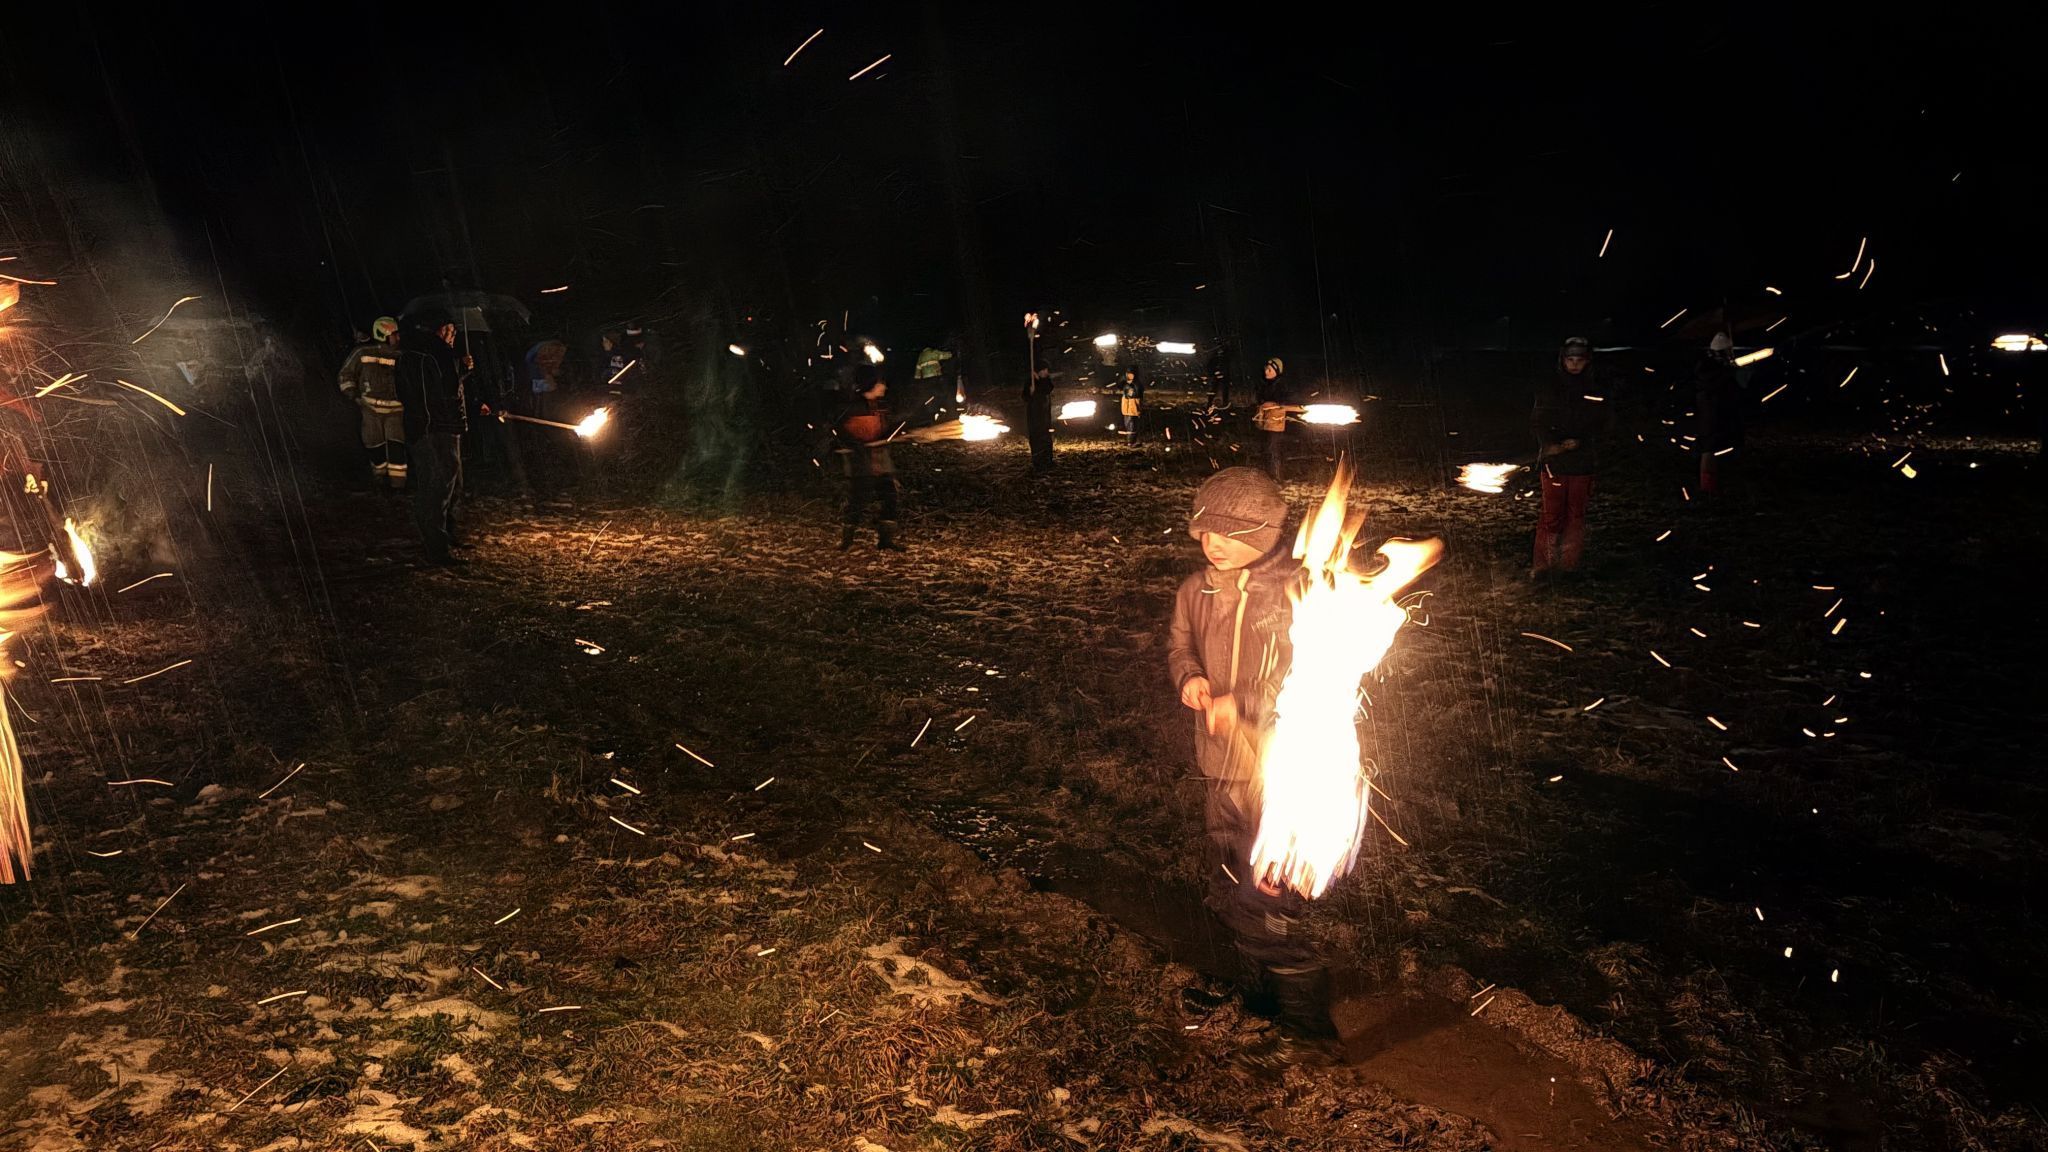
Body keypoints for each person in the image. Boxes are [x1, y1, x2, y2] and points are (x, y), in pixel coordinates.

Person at [1165, 467, 1336, 1045]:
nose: (1213, 544)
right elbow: (1179, 644)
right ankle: (1258, 996)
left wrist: (1241, 702)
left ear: (1263, 534)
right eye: (1205, 532)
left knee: (1266, 889)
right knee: (1229, 868)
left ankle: (1308, 1021)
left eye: (1228, 533)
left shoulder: (1292, 594)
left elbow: (1306, 675)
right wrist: (1189, 677)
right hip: (1219, 763)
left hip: (1274, 768)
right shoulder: (1197, 589)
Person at [1531, 336, 1611, 577]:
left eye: (1579, 360)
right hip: (1555, 463)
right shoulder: (1551, 389)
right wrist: (1550, 444)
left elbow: (1604, 425)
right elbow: (1538, 421)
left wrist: (1582, 442)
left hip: (1583, 463)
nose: (1575, 364)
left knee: (1575, 515)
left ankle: (1569, 565)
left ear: (1587, 362)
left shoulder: (1595, 390)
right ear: (1563, 361)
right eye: (1570, 360)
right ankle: (1543, 565)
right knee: (1551, 514)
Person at [396, 319, 470, 565]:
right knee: (438, 488)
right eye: (451, 329)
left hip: (425, 429)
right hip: (438, 430)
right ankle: (437, 549)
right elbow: (447, 390)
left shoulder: (408, 355)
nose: (454, 334)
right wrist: (461, 367)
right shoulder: (438, 353)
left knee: (444, 486)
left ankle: (443, 536)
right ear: (440, 329)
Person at [835, 363, 903, 551]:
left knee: (890, 498)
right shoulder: (852, 409)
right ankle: (846, 542)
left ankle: (885, 541)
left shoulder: (881, 407)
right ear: (871, 384)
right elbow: (844, 436)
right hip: (861, 467)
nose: (884, 387)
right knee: (857, 502)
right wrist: (861, 446)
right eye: (881, 383)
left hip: (882, 465)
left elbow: (887, 431)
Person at [338, 317, 407, 489]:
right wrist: (354, 395)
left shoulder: (402, 356)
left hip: (396, 411)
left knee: (396, 448)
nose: (398, 338)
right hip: (370, 410)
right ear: (383, 335)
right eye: (394, 334)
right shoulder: (362, 353)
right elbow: (345, 375)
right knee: (374, 445)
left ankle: (398, 486)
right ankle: (379, 478)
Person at [1695, 332, 1742, 497]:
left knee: (1712, 450)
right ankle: (1708, 487)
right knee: (1710, 450)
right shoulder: (1718, 370)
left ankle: (1711, 485)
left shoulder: (1708, 367)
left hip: (1710, 415)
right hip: (1712, 415)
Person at [1254, 357, 1295, 481]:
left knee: (1273, 450)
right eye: (1266, 369)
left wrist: (1274, 405)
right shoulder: (1264, 384)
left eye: (1270, 370)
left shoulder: (1281, 386)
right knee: (1265, 449)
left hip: (1276, 424)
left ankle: (1276, 477)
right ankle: (1267, 475)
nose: (1266, 372)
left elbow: (1286, 402)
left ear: (1276, 371)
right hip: (1265, 423)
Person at [1024, 359, 1056, 473]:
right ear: (1039, 371)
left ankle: (1048, 461)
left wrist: (1038, 384)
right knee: (1036, 438)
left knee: (1045, 437)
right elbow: (1025, 397)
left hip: (1044, 414)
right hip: (1034, 414)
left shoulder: (1046, 381)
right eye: (1044, 370)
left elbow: (1047, 389)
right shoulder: (1030, 381)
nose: (1046, 372)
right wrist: (1030, 391)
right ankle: (1037, 462)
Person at [1119, 365, 1147, 444]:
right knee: (1128, 424)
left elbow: (1137, 393)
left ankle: (1131, 442)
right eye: (1128, 374)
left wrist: (1132, 386)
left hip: (1133, 408)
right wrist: (1123, 380)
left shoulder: (1138, 384)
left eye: (1131, 374)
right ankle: (1130, 441)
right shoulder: (1125, 383)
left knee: (1132, 425)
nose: (1129, 376)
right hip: (1126, 409)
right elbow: (1119, 386)